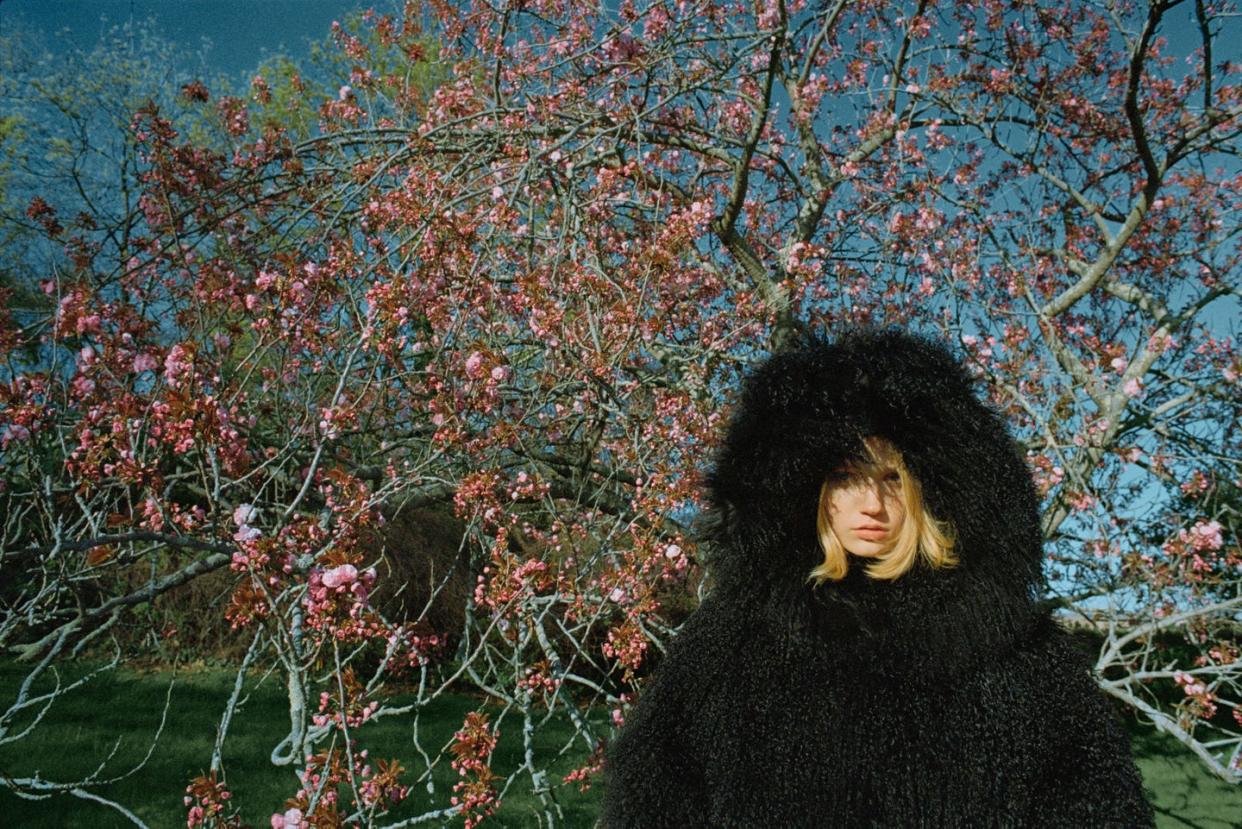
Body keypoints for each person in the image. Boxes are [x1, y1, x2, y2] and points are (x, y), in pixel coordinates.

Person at [600, 328, 1154, 828]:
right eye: (845, 476)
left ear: (932, 488)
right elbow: (654, 800)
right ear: (806, 489)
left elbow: (1096, 807)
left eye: (894, 477)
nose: (873, 503)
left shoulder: (1016, 652)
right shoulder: (730, 642)